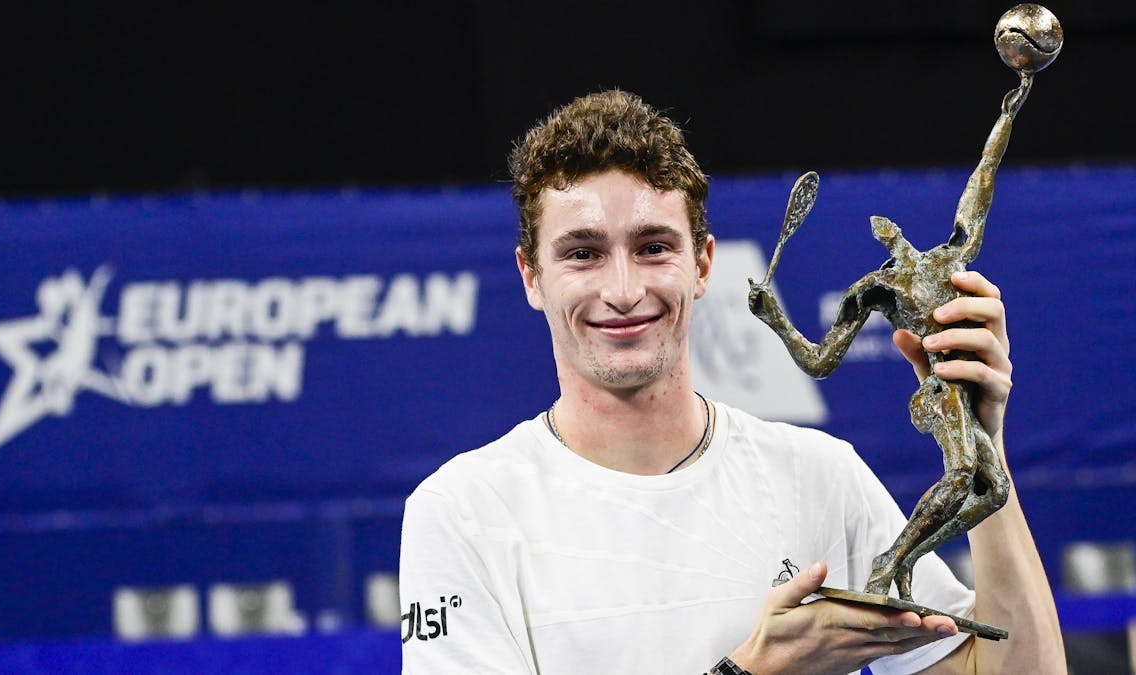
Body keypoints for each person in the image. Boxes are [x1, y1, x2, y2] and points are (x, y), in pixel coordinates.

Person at [399, 89, 1064, 674]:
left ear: (703, 263)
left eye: (654, 246)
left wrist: (979, 440)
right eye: (583, 254)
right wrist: (756, 672)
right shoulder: (463, 512)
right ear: (530, 276)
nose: (624, 289)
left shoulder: (820, 478)